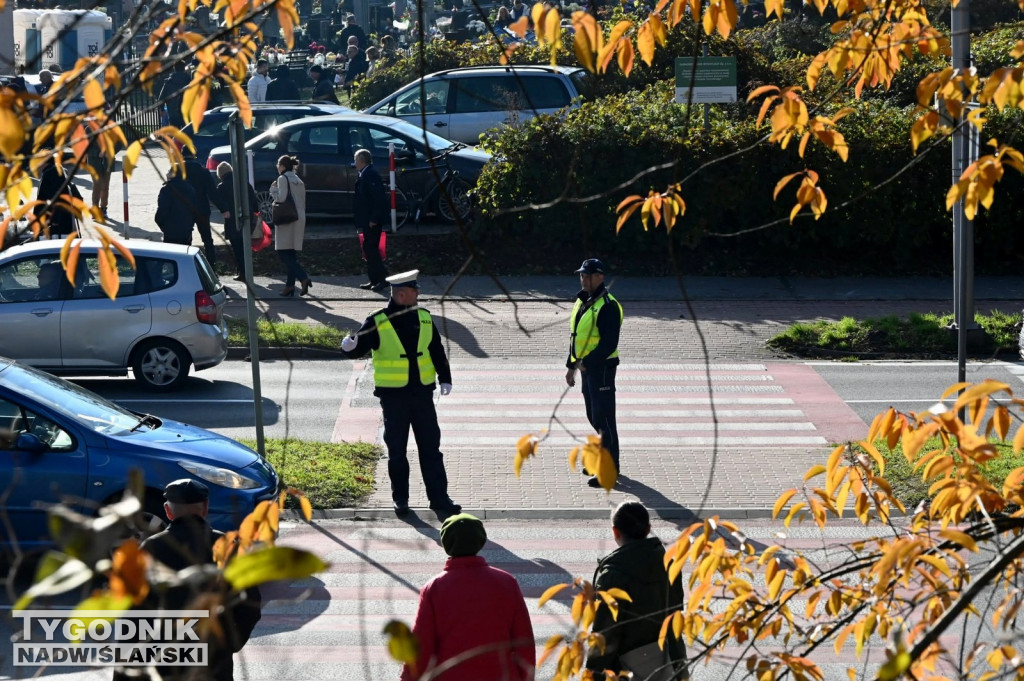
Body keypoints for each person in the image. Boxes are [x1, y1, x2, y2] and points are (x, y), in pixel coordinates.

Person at [341, 269, 461, 518]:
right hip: (393, 398)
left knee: (431, 449)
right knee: (397, 451)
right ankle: (401, 499)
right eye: (415, 291)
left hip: (422, 396)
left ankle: (440, 499)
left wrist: (445, 377)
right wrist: (348, 348)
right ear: (403, 294)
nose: (419, 294)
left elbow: (436, 350)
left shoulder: (424, 317)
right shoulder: (377, 320)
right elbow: (358, 347)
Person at [135, 479, 262, 681]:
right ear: (205, 508)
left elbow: (132, 612)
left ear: (168, 511)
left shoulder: (151, 548)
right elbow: (251, 604)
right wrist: (229, 644)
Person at [400, 513, 535, 681]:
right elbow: (523, 639)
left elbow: (422, 646)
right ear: (480, 541)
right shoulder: (507, 582)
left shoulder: (434, 588)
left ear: (446, 543)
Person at [586, 502, 687, 680]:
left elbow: (605, 635)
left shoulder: (613, 576)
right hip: (670, 663)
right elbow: (676, 613)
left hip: (627, 669)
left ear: (615, 532)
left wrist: (593, 675)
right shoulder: (669, 564)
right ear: (648, 529)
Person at [565, 258, 623, 488]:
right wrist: (571, 367)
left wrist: (587, 362)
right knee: (594, 416)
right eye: (581, 275)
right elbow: (576, 337)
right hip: (587, 369)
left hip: (602, 370)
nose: (583, 279)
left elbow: (609, 343)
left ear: (601, 277)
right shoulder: (583, 301)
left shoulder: (608, 306)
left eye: (588, 275)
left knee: (605, 420)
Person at [269, 155, 311, 296]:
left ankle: (303, 277)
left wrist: (272, 190)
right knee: (291, 253)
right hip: (299, 217)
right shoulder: (298, 180)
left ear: (282, 166)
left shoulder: (282, 179)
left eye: (278, 165)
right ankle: (289, 285)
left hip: (286, 217)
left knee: (282, 252)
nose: (277, 167)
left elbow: (281, 198)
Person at [213, 161, 259, 281]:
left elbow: (218, 202)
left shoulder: (221, 187)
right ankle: (247, 271)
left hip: (233, 222)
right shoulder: (244, 183)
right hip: (247, 219)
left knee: (237, 249)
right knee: (245, 248)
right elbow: (254, 201)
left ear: (220, 175)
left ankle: (242, 273)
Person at [352, 148, 389, 291]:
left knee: (371, 249)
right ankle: (374, 279)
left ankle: (381, 279)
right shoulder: (365, 174)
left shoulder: (370, 175)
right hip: (367, 219)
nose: (354, 163)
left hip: (372, 220)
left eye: (356, 160)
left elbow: (378, 198)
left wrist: (374, 218)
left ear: (361, 160)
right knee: (368, 249)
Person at [182, 148, 219, 264]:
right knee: (207, 240)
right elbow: (212, 193)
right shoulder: (203, 171)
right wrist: (224, 208)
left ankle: (186, 266)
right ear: (194, 156)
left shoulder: (177, 171)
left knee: (185, 240)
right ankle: (212, 267)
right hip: (202, 208)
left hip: (184, 209)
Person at [34, 159, 82, 239]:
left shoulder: (49, 174)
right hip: (65, 221)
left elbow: (43, 200)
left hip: (55, 224)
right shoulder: (59, 171)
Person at [155, 168, 199, 246]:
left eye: (169, 172)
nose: (166, 174)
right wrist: (190, 225)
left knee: (171, 254)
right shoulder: (191, 188)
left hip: (170, 230)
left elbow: (162, 210)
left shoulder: (166, 189)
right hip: (186, 230)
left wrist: (163, 225)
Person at [158, 61, 191, 129]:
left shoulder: (169, 82)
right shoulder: (189, 80)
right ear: (184, 68)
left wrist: (162, 109)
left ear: (174, 69)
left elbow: (162, 97)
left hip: (173, 113)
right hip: (186, 112)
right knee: (187, 133)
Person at [86, 142, 112, 221]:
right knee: (97, 185)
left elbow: (119, 142)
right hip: (94, 163)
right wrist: (97, 153)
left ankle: (103, 209)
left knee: (105, 187)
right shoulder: (89, 130)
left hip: (107, 163)